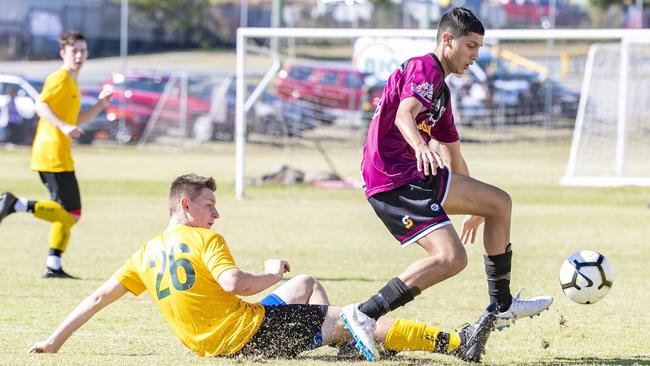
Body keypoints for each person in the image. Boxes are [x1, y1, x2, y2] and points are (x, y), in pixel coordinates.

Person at [30, 173, 497, 362]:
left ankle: (341, 343)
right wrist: (271, 273)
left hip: (214, 343)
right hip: (249, 334)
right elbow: (235, 284)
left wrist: (54, 340)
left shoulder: (146, 253)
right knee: (360, 317)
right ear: (186, 206)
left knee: (307, 284)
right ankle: (457, 343)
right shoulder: (205, 238)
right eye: (210, 205)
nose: (216, 214)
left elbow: (96, 298)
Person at [342, 7, 553, 360]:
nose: (475, 56)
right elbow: (403, 113)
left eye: (479, 48)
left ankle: (500, 305)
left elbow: (454, 155)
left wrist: (475, 206)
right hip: (392, 178)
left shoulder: (442, 93)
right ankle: (364, 314)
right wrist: (421, 145)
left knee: (498, 203)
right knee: (451, 257)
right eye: (470, 45)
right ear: (447, 40)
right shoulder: (424, 68)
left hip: (416, 174)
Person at [0, 31, 112, 278]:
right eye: (75, 51)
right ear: (63, 53)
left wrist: (100, 106)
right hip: (51, 153)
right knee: (72, 213)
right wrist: (62, 127)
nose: (80, 55)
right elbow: (41, 106)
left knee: (67, 214)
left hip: (58, 154)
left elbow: (75, 120)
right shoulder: (60, 78)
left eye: (83, 51)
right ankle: (15, 204)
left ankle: (53, 265)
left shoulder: (72, 82)